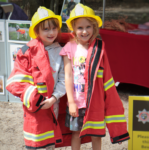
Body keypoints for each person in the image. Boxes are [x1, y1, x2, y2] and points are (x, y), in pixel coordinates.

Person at [59, 3, 130, 150]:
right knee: (76, 133)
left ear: (94, 28)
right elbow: (67, 76)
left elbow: (106, 78)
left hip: (95, 103)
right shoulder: (69, 48)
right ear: (72, 28)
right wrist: (71, 102)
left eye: (88, 27)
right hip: (76, 103)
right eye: (80, 28)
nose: (84, 31)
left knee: (96, 135)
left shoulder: (99, 48)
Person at [6, 6, 66, 150]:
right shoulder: (27, 52)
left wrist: (53, 98)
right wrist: (36, 99)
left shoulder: (61, 51)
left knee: (50, 142)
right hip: (34, 107)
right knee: (35, 141)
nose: (51, 33)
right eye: (46, 29)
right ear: (37, 31)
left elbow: (63, 79)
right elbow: (16, 81)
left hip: (53, 104)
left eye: (53, 28)